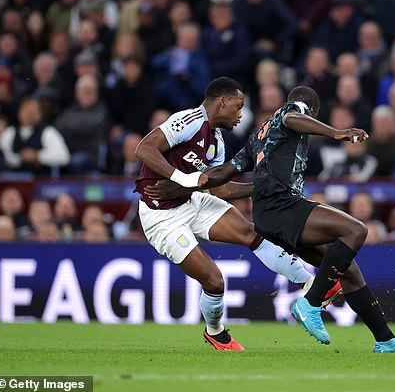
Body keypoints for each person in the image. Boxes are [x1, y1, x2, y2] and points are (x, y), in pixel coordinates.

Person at [148, 85, 395, 353]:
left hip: (268, 216)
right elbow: (295, 117)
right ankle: (311, 302)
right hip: (283, 208)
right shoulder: (291, 112)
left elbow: (225, 173)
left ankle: (386, 341)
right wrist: (337, 133)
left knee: (349, 270)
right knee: (356, 230)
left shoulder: (259, 134)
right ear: (312, 110)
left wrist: (188, 184)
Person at [133, 77, 336, 352]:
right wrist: (183, 179)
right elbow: (144, 148)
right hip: (161, 217)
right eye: (238, 107)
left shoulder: (216, 141)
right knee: (215, 282)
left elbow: (217, 188)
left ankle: (311, 284)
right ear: (222, 101)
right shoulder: (189, 120)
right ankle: (215, 332)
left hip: (192, 201)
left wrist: (261, 185)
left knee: (252, 233)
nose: (241, 115)